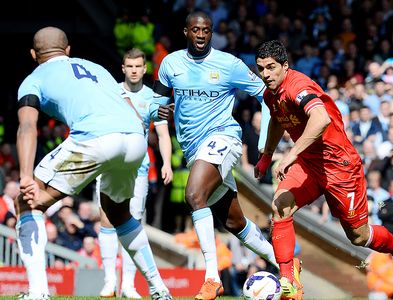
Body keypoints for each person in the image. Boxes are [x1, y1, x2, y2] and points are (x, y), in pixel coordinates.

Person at [15, 26, 171, 300]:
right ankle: (159, 289)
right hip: (135, 139)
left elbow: (27, 126)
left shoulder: (33, 79)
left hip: (96, 138)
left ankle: (38, 293)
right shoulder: (96, 67)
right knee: (119, 213)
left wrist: (26, 175)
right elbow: (130, 108)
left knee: (29, 202)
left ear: (33, 54)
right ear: (68, 51)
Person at [253, 40, 393, 300]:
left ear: (285, 66)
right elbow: (277, 119)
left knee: (358, 237)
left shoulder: (298, 86)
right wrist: (266, 155)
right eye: (261, 69)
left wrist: (291, 153)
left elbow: (321, 118)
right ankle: (288, 279)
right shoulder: (271, 94)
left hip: (340, 167)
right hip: (308, 164)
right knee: (279, 206)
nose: (266, 74)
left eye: (271, 68)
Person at [155, 11, 276, 300]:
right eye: (195, 30)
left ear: (211, 33)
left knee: (194, 194)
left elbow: (268, 97)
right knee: (235, 222)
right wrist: (160, 111)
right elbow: (157, 103)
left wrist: (263, 147)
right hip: (193, 150)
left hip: (223, 138)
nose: (200, 35)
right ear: (186, 31)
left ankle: (212, 278)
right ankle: (285, 264)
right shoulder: (170, 64)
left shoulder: (228, 64)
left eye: (206, 30)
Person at [97, 48, 173, 298]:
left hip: (138, 168)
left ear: (143, 68)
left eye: (138, 66)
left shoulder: (153, 98)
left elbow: (162, 133)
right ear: (123, 68)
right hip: (110, 165)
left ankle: (128, 284)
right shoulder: (111, 93)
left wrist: (166, 163)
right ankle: (109, 281)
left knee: (134, 221)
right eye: (129, 66)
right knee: (107, 219)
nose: (133, 70)